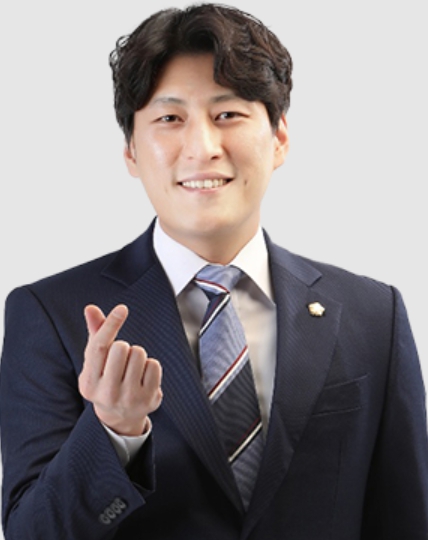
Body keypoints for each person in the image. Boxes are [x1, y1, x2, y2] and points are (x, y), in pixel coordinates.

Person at [1, 3, 427, 539]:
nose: (202, 148)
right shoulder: (50, 315)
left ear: (279, 137)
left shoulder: (373, 314)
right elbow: (30, 533)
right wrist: (113, 431)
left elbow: (408, 519)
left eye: (227, 115)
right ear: (131, 151)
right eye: (170, 119)